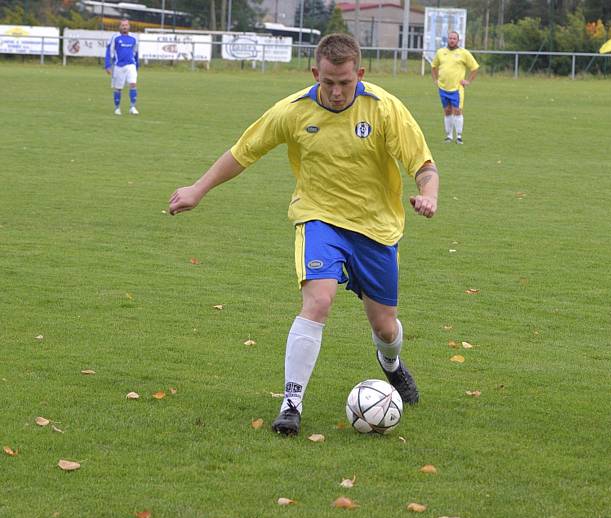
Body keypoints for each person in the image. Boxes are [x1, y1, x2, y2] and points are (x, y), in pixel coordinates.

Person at [168, 33, 439, 437]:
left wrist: (428, 194)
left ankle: (392, 366)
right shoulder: (292, 111)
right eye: (327, 81)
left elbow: (424, 164)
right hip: (319, 220)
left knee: (385, 327)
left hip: (376, 228)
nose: (334, 90)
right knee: (318, 301)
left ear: (359, 74)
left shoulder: (384, 110)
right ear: (316, 72)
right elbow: (243, 151)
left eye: (344, 82)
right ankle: (291, 403)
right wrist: (197, 189)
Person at [431, 31, 479, 145]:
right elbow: (433, 66)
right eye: (450, 38)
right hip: (443, 87)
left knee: (457, 110)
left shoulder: (464, 53)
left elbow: (475, 67)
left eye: (454, 38)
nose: (452, 40)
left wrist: (468, 81)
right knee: (447, 110)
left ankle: (459, 136)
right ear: (447, 39)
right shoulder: (440, 52)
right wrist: (435, 80)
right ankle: (448, 135)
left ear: (458, 40)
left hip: (457, 88)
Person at [105, 19, 139, 115]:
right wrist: (108, 65)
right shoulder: (115, 38)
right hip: (118, 66)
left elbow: (136, 53)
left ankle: (132, 107)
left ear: (129, 26)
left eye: (126, 25)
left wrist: (137, 66)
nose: (125, 27)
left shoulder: (134, 38)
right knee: (118, 88)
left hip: (131, 65)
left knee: (133, 84)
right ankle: (117, 108)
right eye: (123, 25)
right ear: (119, 27)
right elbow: (109, 52)